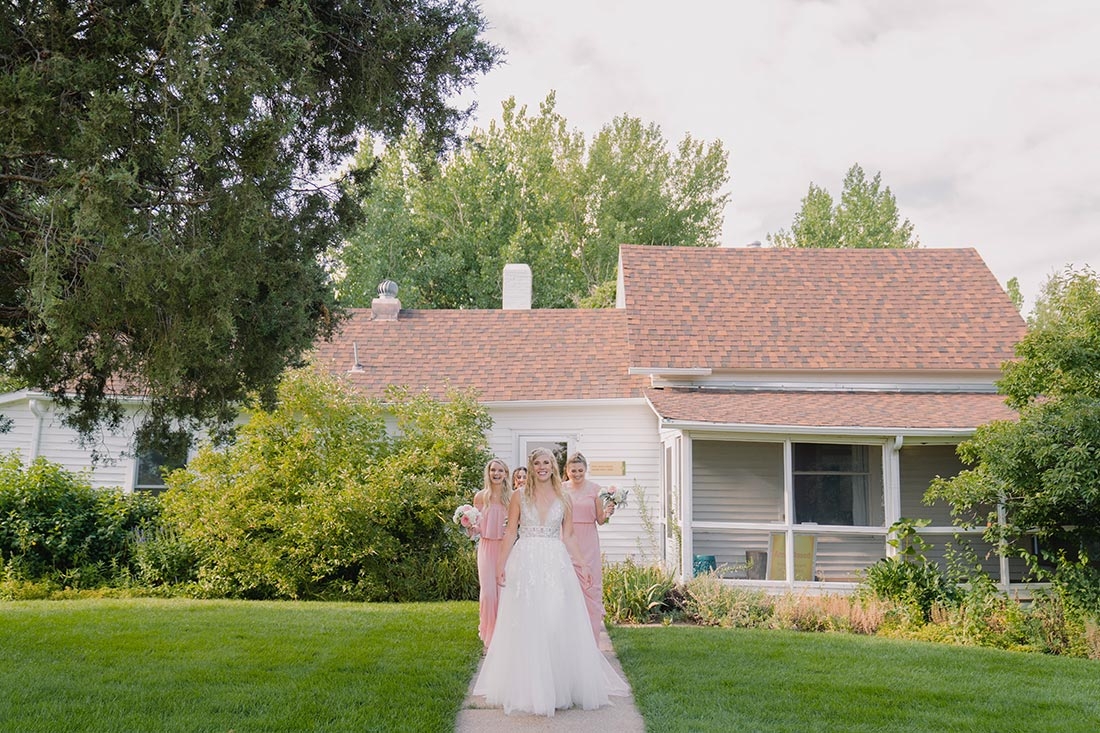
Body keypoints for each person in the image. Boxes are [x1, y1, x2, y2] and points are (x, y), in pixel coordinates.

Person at [472, 448, 628, 716]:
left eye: (547, 462)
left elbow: (569, 536)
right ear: (531, 467)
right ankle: (529, 688)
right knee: (528, 622)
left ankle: (557, 686)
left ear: (554, 467)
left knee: (555, 620)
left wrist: (582, 563)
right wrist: (500, 565)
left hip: (556, 563)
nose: (542, 467)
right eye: (537, 463)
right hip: (526, 563)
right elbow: (510, 532)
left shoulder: (564, 496)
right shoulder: (520, 496)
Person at [562, 452, 614, 644]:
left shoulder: (596, 490)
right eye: (573, 470)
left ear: (585, 470)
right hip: (565, 539)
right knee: (567, 587)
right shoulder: (560, 489)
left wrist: (608, 512)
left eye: (580, 470)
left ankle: (591, 640)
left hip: (588, 541)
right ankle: (568, 640)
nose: (576, 474)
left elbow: (600, 519)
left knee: (590, 587)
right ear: (567, 471)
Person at [472, 458, 511, 648]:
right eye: (493, 470)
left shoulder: (512, 498)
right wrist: (470, 527)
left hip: (506, 548)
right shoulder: (480, 497)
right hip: (486, 548)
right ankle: (489, 636)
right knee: (488, 593)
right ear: (488, 473)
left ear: (506, 474)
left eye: (500, 471)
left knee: (503, 592)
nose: (496, 474)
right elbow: (476, 527)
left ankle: (505, 636)